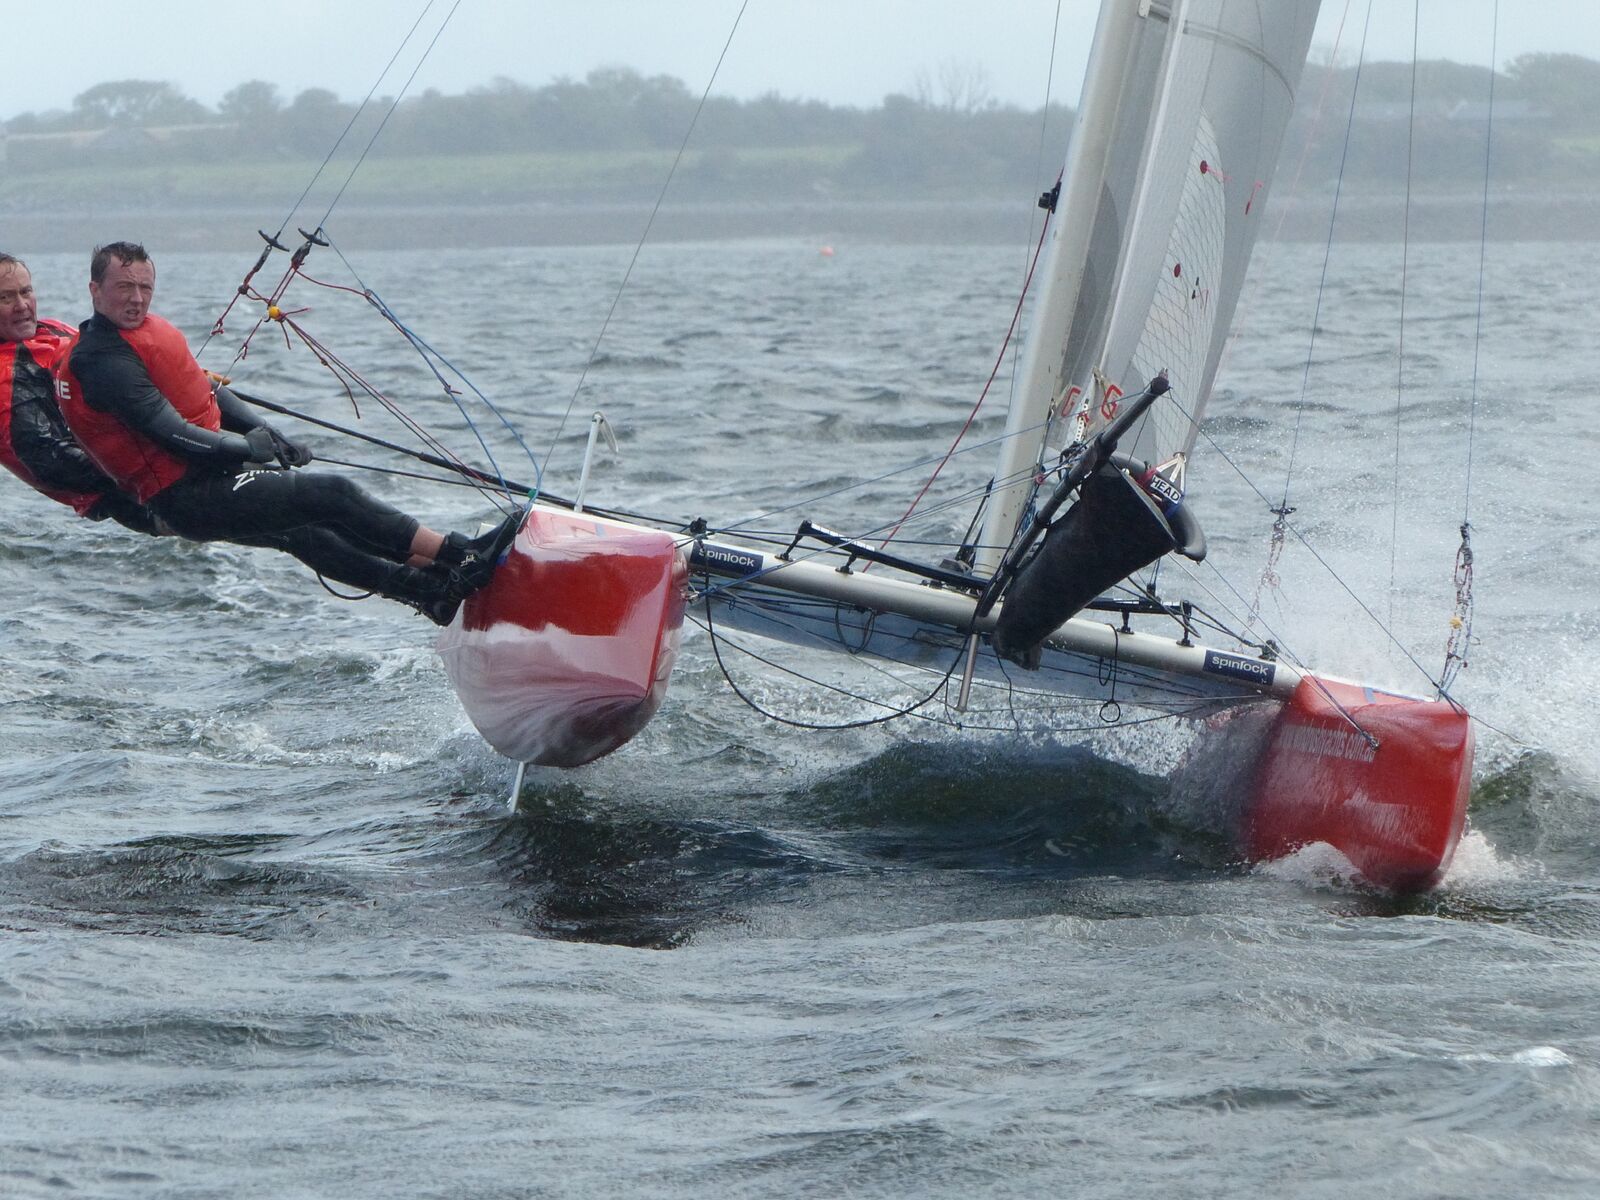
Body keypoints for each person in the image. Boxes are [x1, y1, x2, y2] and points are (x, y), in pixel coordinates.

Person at [55, 242, 519, 624]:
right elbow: (170, 433)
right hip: (183, 496)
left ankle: (430, 592)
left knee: (309, 531)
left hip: (205, 477)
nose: (136, 298)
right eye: (123, 288)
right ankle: (462, 557)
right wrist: (246, 447)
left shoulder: (141, 336)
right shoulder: (102, 360)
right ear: (95, 290)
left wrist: (264, 431)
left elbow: (205, 391)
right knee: (331, 494)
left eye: (144, 287)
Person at [0, 252, 163, 534]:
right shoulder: (6, 378)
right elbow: (49, 458)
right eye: (6, 298)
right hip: (125, 494)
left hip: (150, 449)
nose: (22, 305)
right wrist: (148, 468)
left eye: (26, 292)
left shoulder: (52, 330)